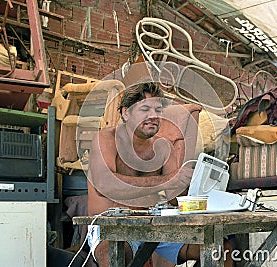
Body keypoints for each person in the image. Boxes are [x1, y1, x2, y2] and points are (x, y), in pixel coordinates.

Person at [87, 82, 233, 266]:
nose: (154, 116)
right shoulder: (106, 139)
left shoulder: (164, 146)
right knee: (114, 256)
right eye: (145, 109)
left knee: (223, 249)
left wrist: (199, 184)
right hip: (112, 228)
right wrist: (167, 181)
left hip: (155, 227)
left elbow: (175, 198)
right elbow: (105, 186)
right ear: (126, 112)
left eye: (158, 110)